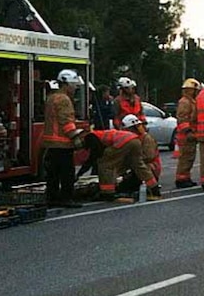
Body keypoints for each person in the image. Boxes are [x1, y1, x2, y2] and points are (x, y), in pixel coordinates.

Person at [83, 115, 161, 201]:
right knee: (138, 165)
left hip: (151, 166)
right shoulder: (137, 137)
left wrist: (80, 173)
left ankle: (107, 192)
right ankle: (154, 187)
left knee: (106, 165)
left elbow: (94, 157)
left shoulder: (91, 137)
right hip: (136, 148)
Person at [42, 69, 85, 208]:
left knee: (53, 174)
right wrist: (75, 137)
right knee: (67, 174)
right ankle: (66, 198)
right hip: (62, 144)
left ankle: (52, 198)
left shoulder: (52, 97)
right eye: (74, 85)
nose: (76, 87)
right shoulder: (64, 99)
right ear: (66, 84)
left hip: (51, 143)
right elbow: (66, 121)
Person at [175, 78, 202, 188]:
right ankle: (181, 179)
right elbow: (182, 118)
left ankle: (185, 177)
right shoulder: (185, 102)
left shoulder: (190, 101)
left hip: (189, 134)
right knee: (185, 158)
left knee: (189, 157)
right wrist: (188, 131)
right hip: (185, 135)